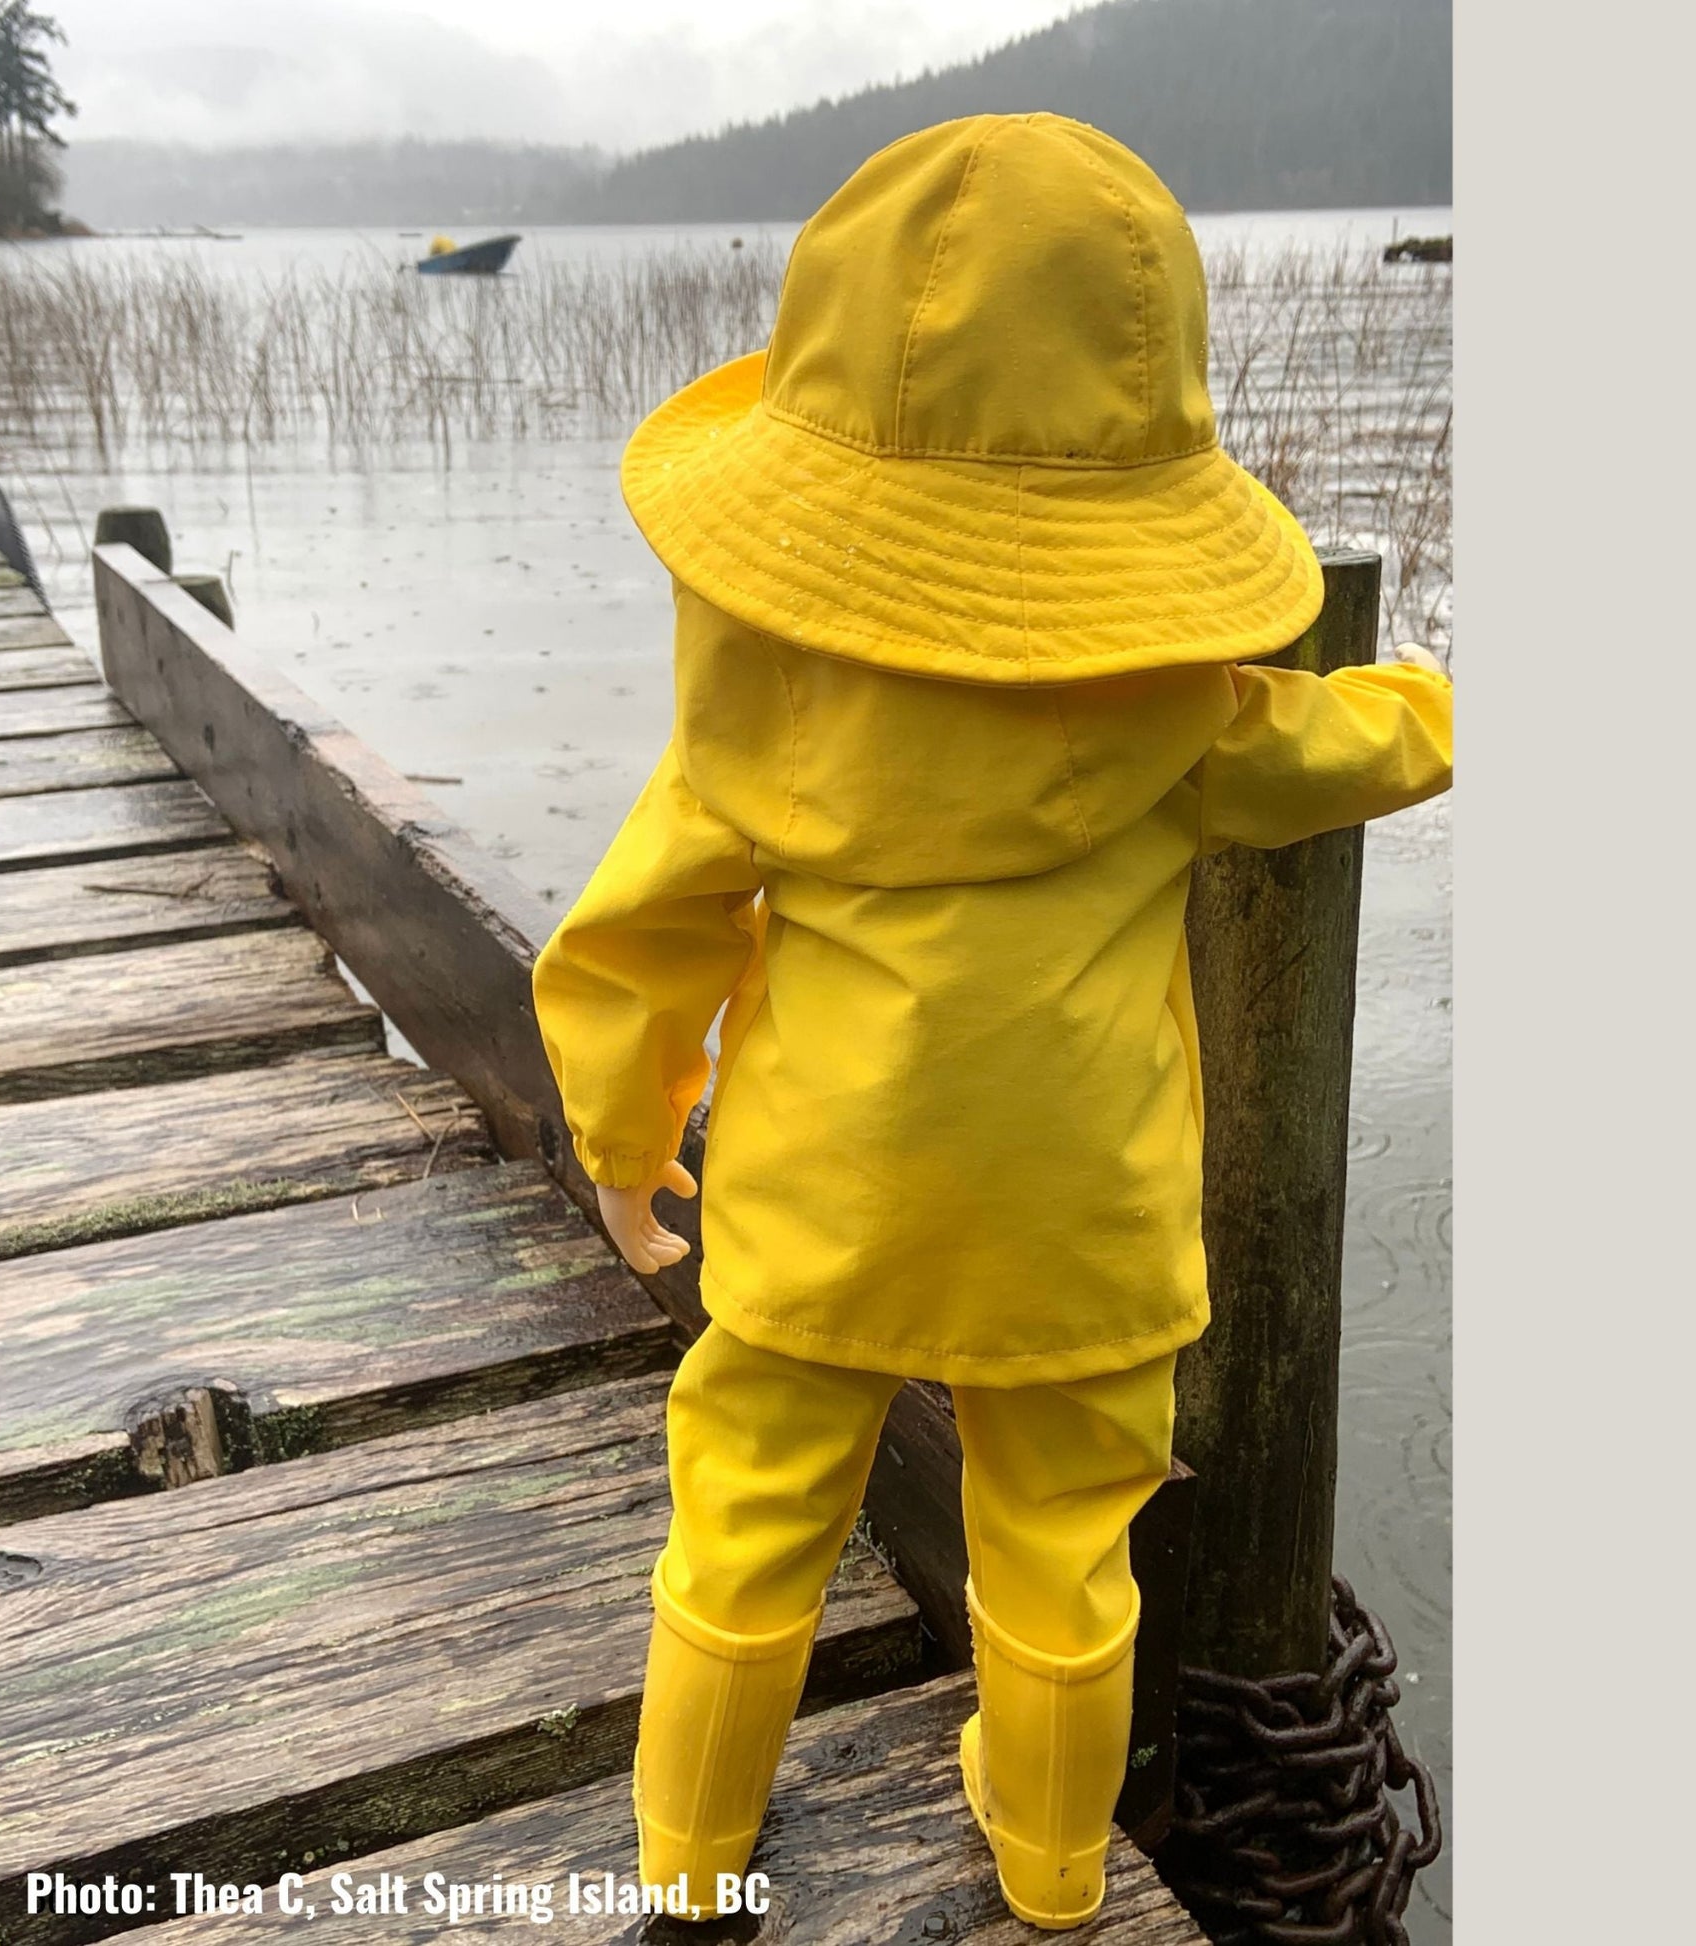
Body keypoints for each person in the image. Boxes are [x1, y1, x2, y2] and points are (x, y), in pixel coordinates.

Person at [531, 113, 1452, 1931]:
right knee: (1064, 1546)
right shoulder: (1187, 720)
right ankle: (1049, 1864)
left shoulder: (753, 713)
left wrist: (626, 1144)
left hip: (818, 1205)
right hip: (1079, 1222)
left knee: (745, 1517)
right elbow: (1346, 744)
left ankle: (690, 1859)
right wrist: (1438, 701)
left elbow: (633, 935)